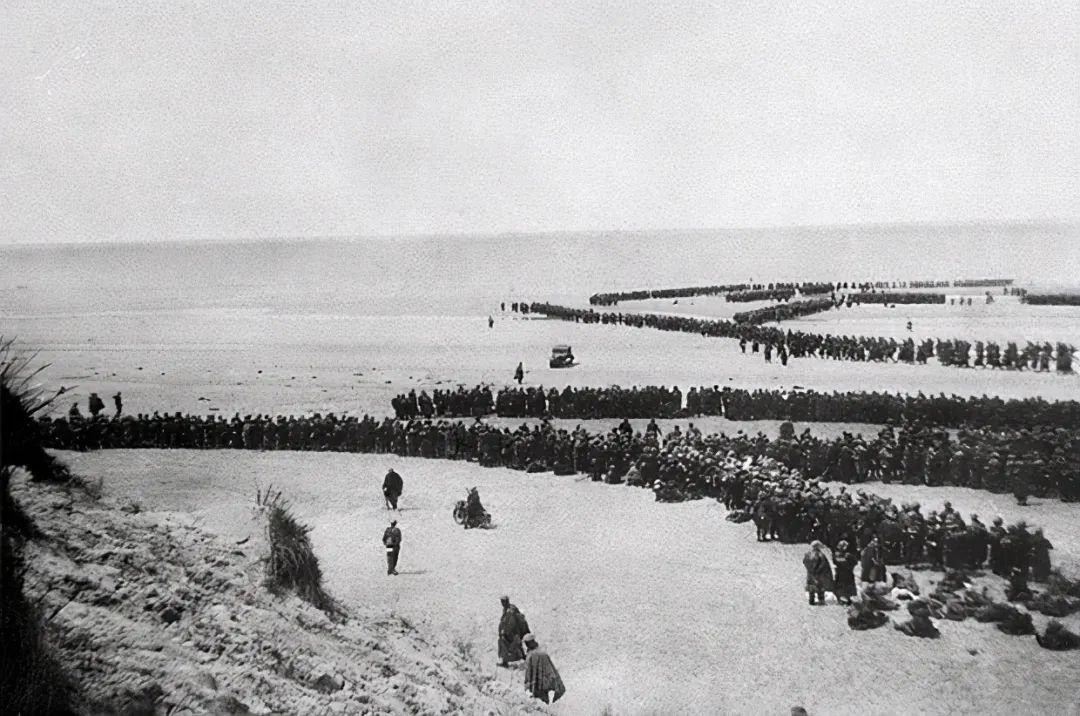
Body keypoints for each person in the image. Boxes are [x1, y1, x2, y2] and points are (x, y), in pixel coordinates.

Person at [522, 634, 565, 704]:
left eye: (527, 643)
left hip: (537, 684)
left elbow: (529, 673)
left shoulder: (531, 656)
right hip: (546, 681)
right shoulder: (542, 652)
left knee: (540, 700)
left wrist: (527, 686)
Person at [497, 596, 531, 667]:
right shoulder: (506, 609)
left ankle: (527, 660)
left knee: (515, 646)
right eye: (502, 601)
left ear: (507, 601)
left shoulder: (512, 610)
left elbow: (514, 621)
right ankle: (505, 662)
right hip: (508, 633)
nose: (502, 603)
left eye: (503, 601)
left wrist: (509, 631)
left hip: (513, 632)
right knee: (505, 646)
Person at [803, 540, 834, 605]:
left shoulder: (807, 554)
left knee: (811, 586)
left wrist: (809, 569)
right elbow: (823, 563)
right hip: (819, 573)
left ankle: (811, 600)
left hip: (810, 573)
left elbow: (804, 562)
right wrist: (818, 570)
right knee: (820, 586)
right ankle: (821, 600)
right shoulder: (820, 554)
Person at [832, 540, 857, 605]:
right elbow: (855, 562)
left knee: (842, 586)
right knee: (845, 586)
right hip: (845, 572)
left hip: (842, 572)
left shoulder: (837, 554)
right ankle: (845, 599)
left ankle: (843, 599)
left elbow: (835, 562)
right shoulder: (847, 555)